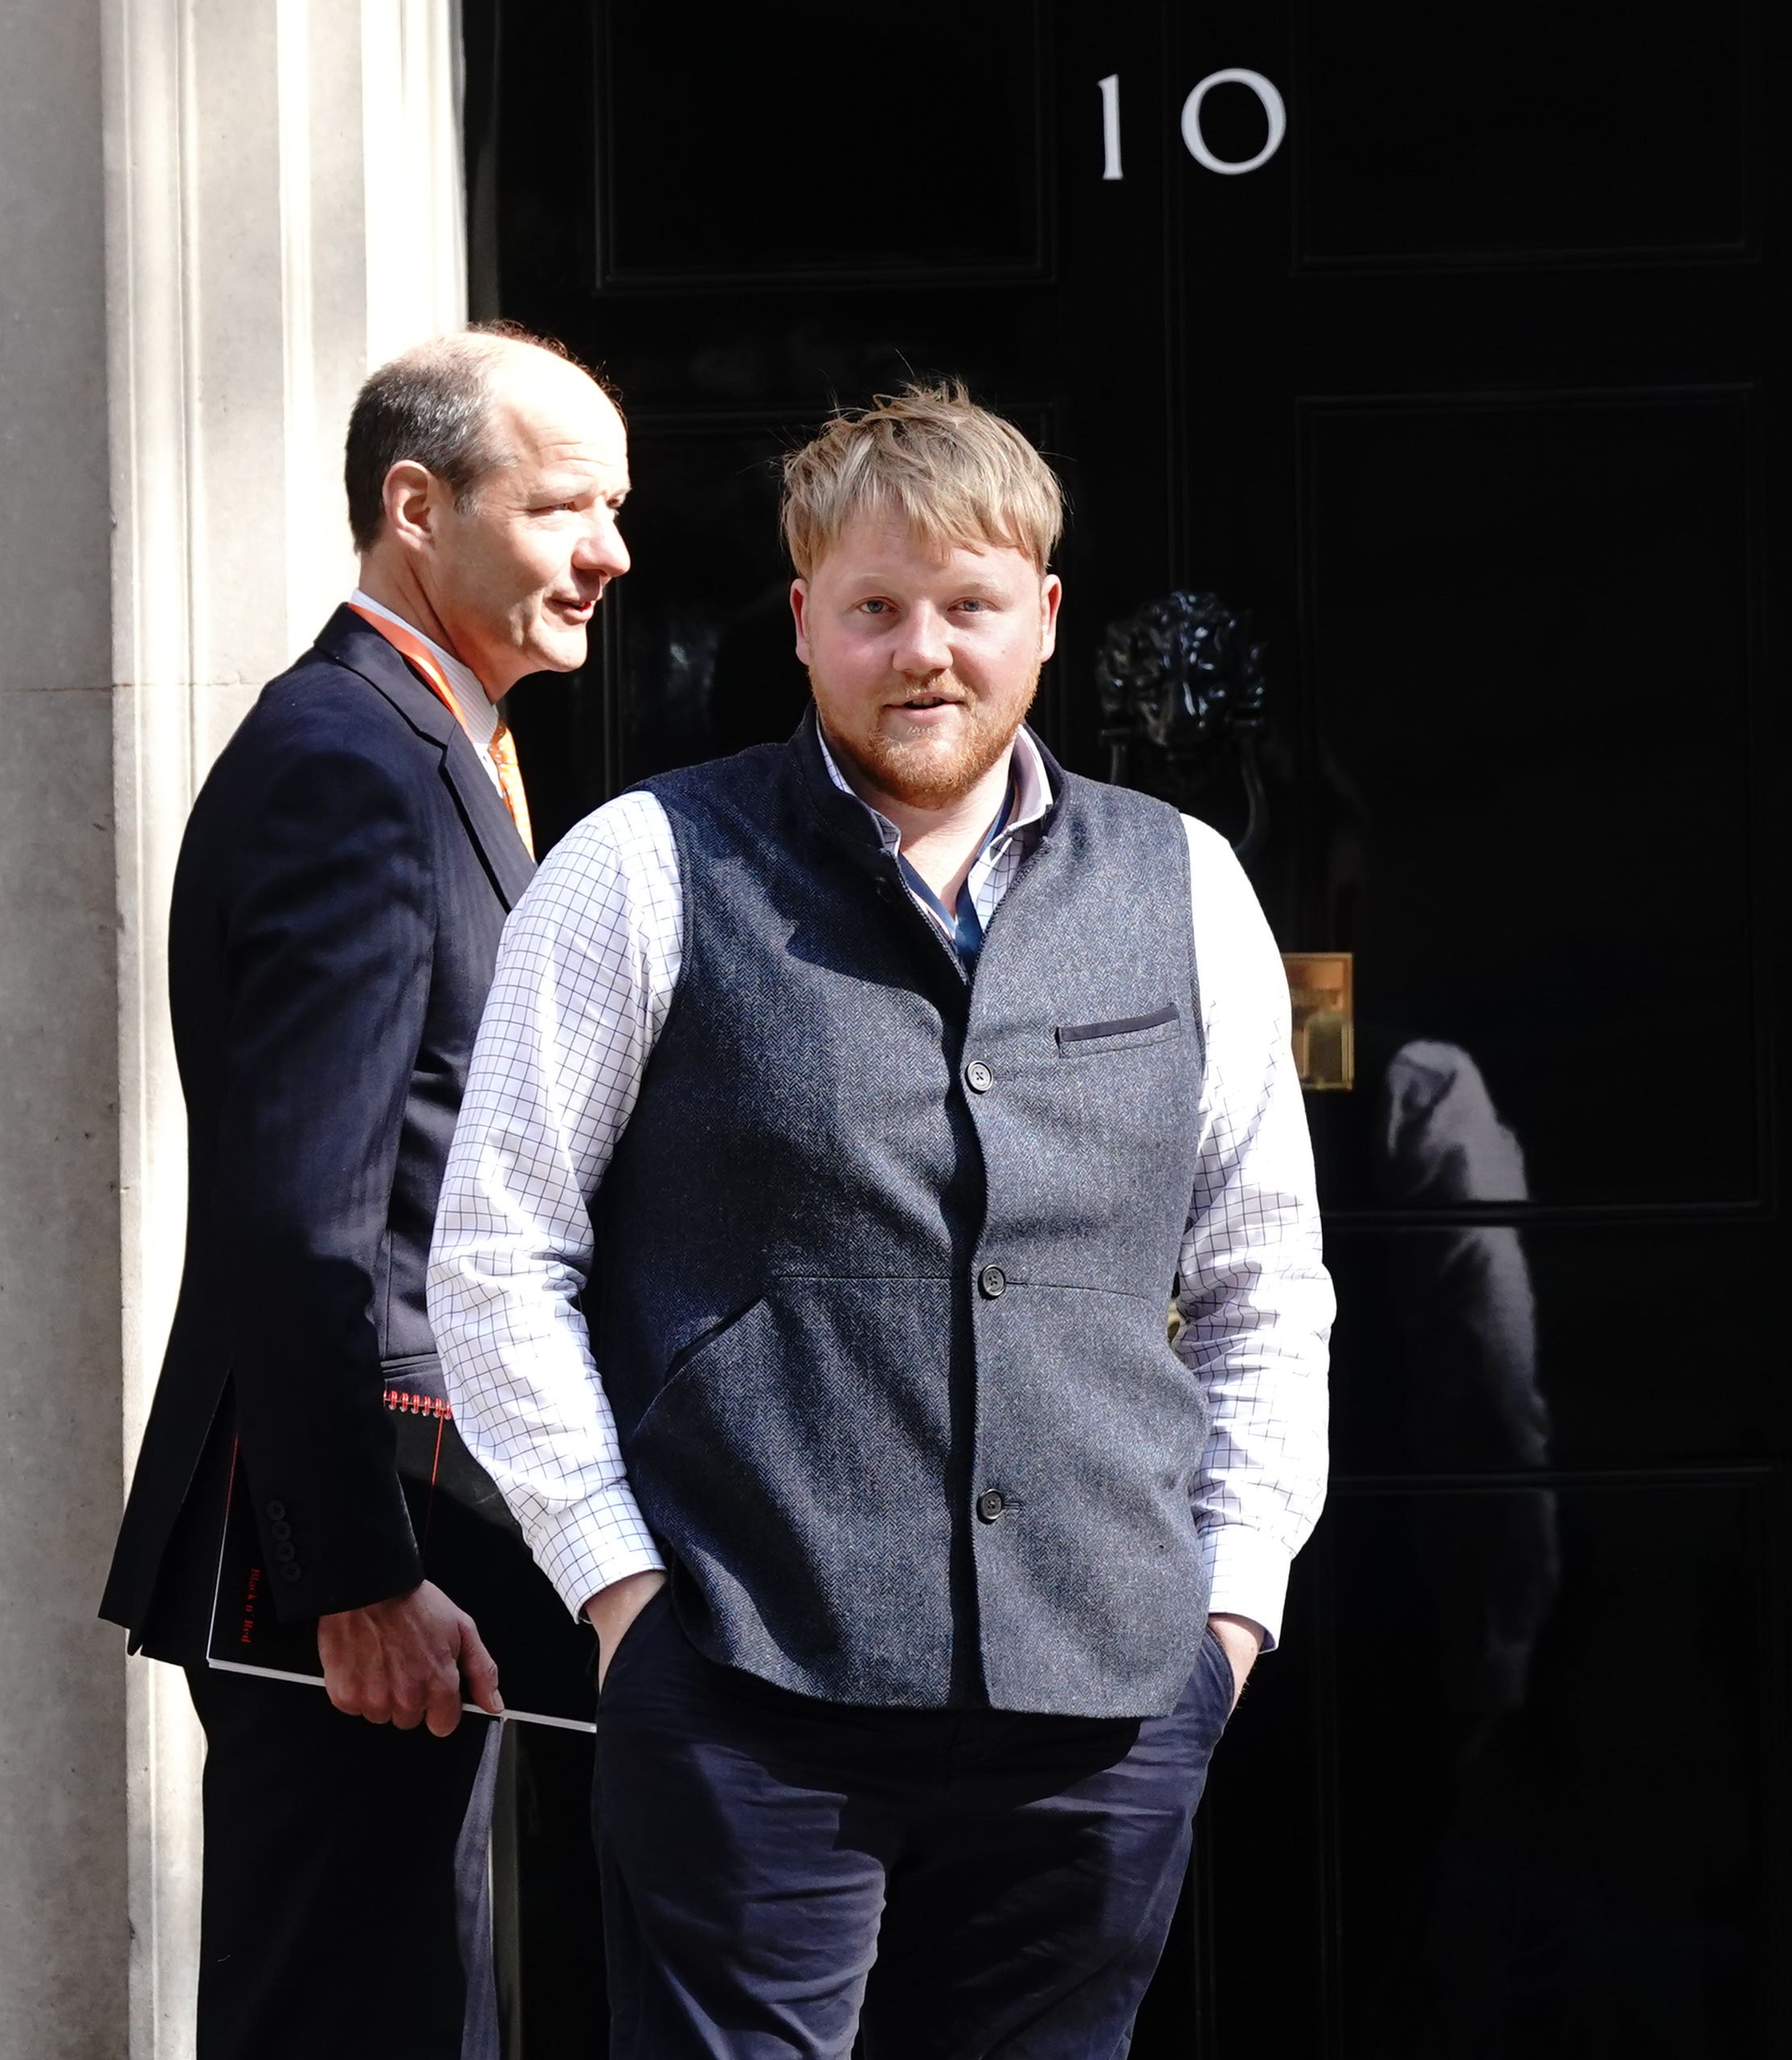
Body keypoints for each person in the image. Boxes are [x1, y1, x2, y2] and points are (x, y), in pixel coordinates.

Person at [428, 382, 1332, 2058]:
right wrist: (622, 1595)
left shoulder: (1187, 881)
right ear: (804, 622)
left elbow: (1262, 1273)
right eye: (876, 609)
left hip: (1106, 1697)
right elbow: (497, 1254)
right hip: (748, 1682)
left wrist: (1230, 1610)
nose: (925, 650)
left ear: (1044, 620)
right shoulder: (642, 866)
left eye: (970, 607)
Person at [98, 326, 631, 2058]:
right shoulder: (354, 763)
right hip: (350, 1552)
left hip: (407, 1530)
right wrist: (359, 1575)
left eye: (610, 507)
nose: (609, 550)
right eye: (564, 505)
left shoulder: (428, 744)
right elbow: (303, 1215)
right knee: (357, 2013)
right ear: (418, 505)